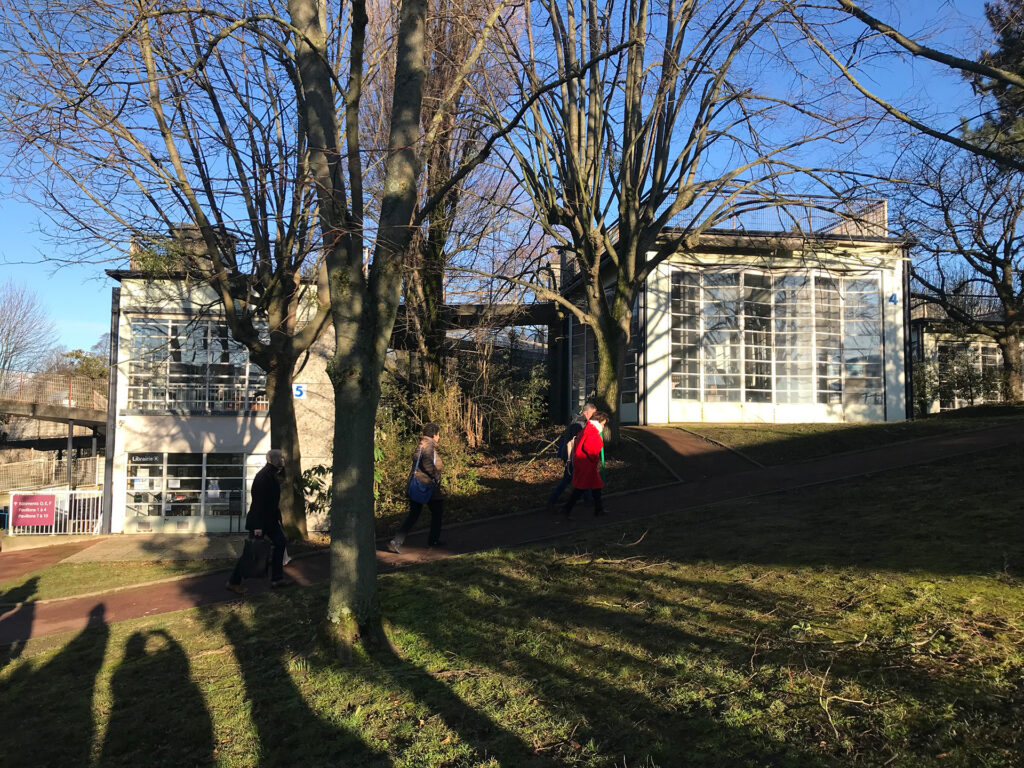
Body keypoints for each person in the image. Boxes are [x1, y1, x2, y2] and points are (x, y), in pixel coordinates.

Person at [226, 448, 292, 594]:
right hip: (261, 521)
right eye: (281, 458)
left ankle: (277, 578)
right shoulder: (264, 476)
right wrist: (257, 526)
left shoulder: (271, 474)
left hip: (270, 521)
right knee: (250, 552)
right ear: (275, 459)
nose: (283, 460)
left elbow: (282, 481)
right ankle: (233, 582)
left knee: (280, 543)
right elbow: (258, 503)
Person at [388, 424, 445, 554]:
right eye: (438, 434)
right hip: (426, 485)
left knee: (414, 514)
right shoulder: (429, 446)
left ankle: (397, 540)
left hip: (418, 484)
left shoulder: (421, 445)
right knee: (437, 512)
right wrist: (436, 476)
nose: (439, 437)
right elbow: (427, 464)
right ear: (434, 435)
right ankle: (433, 541)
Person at [548, 401, 596, 506]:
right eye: (593, 414)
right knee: (567, 480)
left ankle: (588, 499)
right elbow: (573, 443)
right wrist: (571, 460)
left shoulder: (579, 422)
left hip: (574, 457)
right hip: (574, 457)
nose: (594, 417)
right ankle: (551, 502)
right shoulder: (579, 424)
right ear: (587, 413)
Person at [562, 411, 609, 518]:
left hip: (585, 464)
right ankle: (567, 509)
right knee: (580, 489)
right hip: (587, 464)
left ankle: (599, 509)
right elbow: (590, 448)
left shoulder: (587, 429)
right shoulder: (592, 432)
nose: (603, 426)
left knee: (595, 487)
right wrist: (595, 458)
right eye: (603, 423)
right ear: (599, 421)